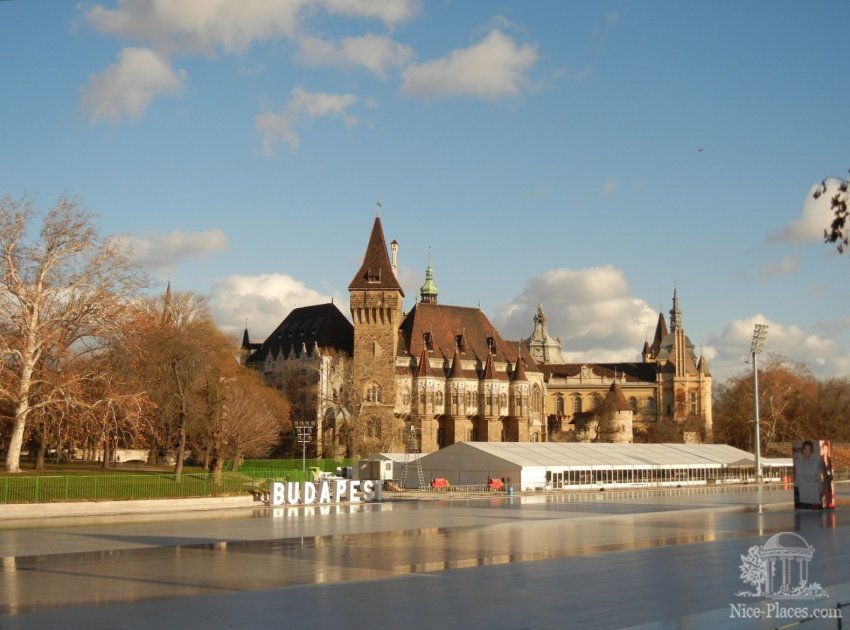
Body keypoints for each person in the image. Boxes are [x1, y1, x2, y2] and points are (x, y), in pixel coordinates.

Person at [794, 440, 823, 508]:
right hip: (803, 498)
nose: (807, 452)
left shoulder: (816, 462)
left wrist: (821, 490)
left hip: (815, 497)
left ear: (811, 451)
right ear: (803, 450)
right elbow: (796, 481)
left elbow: (819, 477)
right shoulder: (798, 462)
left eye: (809, 450)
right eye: (805, 449)